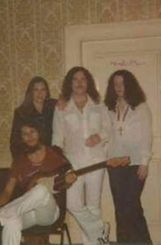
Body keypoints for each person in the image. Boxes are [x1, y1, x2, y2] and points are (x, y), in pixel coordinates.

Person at [0, 122, 76, 245]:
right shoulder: (19, 161)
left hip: (49, 211)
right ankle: (4, 215)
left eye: (32, 132)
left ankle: (2, 214)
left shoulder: (55, 153)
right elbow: (8, 191)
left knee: (41, 189)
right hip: (26, 211)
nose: (29, 137)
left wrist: (68, 182)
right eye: (25, 134)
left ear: (39, 133)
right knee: (11, 222)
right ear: (21, 138)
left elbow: (65, 181)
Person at [52, 66, 111, 245]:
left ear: (88, 83)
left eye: (83, 79)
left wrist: (98, 136)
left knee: (93, 205)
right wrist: (58, 163)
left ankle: (93, 243)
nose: (79, 83)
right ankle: (101, 229)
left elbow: (108, 128)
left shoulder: (99, 104)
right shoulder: (61, 107)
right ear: (70, 83)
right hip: (73, 164)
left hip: (96, 162)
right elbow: (57, 137)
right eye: (75, 79)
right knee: (72, 204)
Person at [104, 69, 153, 244]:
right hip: (115, 164)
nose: (119, 87)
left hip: (135, 162)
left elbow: (147, 136)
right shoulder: (109, 108)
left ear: (129, 85)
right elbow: (105, 133)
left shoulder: (141, 107)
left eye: (123, 83)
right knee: (120, 208)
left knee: (132, 206)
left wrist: (145, 162)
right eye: (115, 83)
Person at [10, 76, 57, 159]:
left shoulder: (54, 107)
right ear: (30, 92)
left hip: (52, 157)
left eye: (43, 89)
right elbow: (15, 142)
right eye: (36, 90)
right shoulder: (21, 112)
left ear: (47, 92)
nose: (40, 93)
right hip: (31, 158)